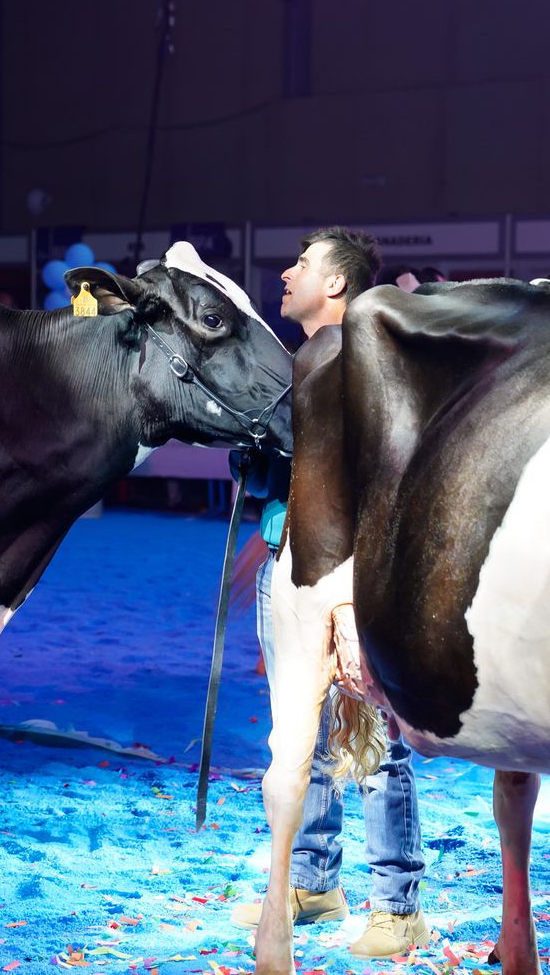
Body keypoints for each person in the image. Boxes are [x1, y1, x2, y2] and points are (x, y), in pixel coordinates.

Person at [232, 226, 428, 958]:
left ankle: (397, 902)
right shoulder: (303, 364)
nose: (287, 272)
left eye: (303, 264)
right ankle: (313, 879)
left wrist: (352, 594)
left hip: (350, 575)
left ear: (337, 285)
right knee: (300, 732)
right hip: (288, 564)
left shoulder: (366, 362)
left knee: (375, 738)